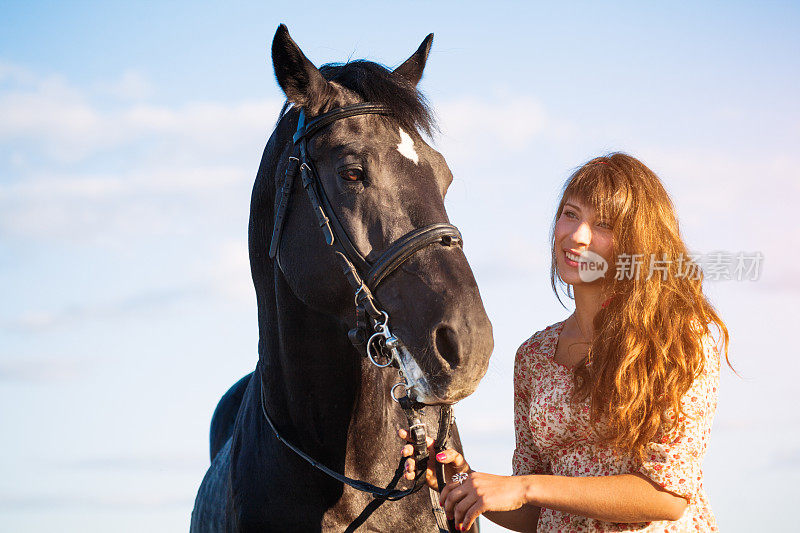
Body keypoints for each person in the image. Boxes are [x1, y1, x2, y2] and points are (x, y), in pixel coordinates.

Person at [399, 152, 732, 532]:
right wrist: (463, 482)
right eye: (571, 214)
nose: (577, 236)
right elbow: (532, 511)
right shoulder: (534, 355)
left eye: (603, 224)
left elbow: (668, 496)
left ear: (637, 243)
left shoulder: (680, 342)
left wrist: (526, 487)